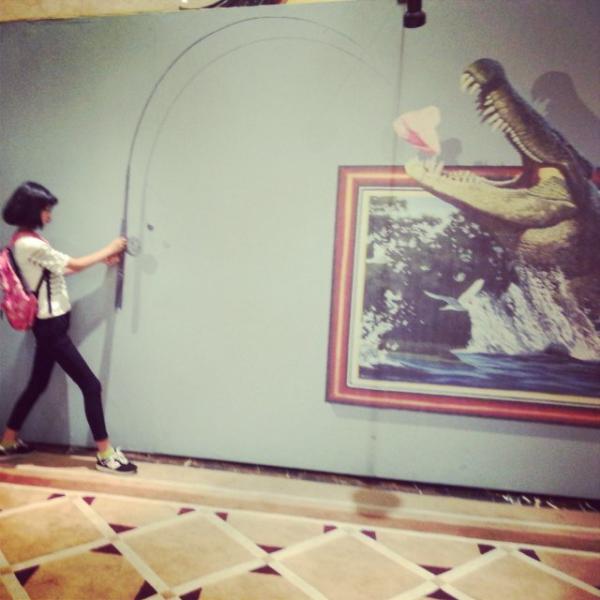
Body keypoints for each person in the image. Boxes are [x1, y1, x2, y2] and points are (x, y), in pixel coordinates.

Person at [0, 181, 137, 475]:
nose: (49, 214)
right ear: (32, 210)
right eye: (46, 209)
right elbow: (72, 263)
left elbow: (61, 269)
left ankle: (8, 442)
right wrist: (110, 248)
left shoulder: (25, 239)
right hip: (50, 326)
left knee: (37, 384)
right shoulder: (30, 243)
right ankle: (105, 455)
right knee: (91, 385)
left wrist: (102, 261)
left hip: (49, 323)